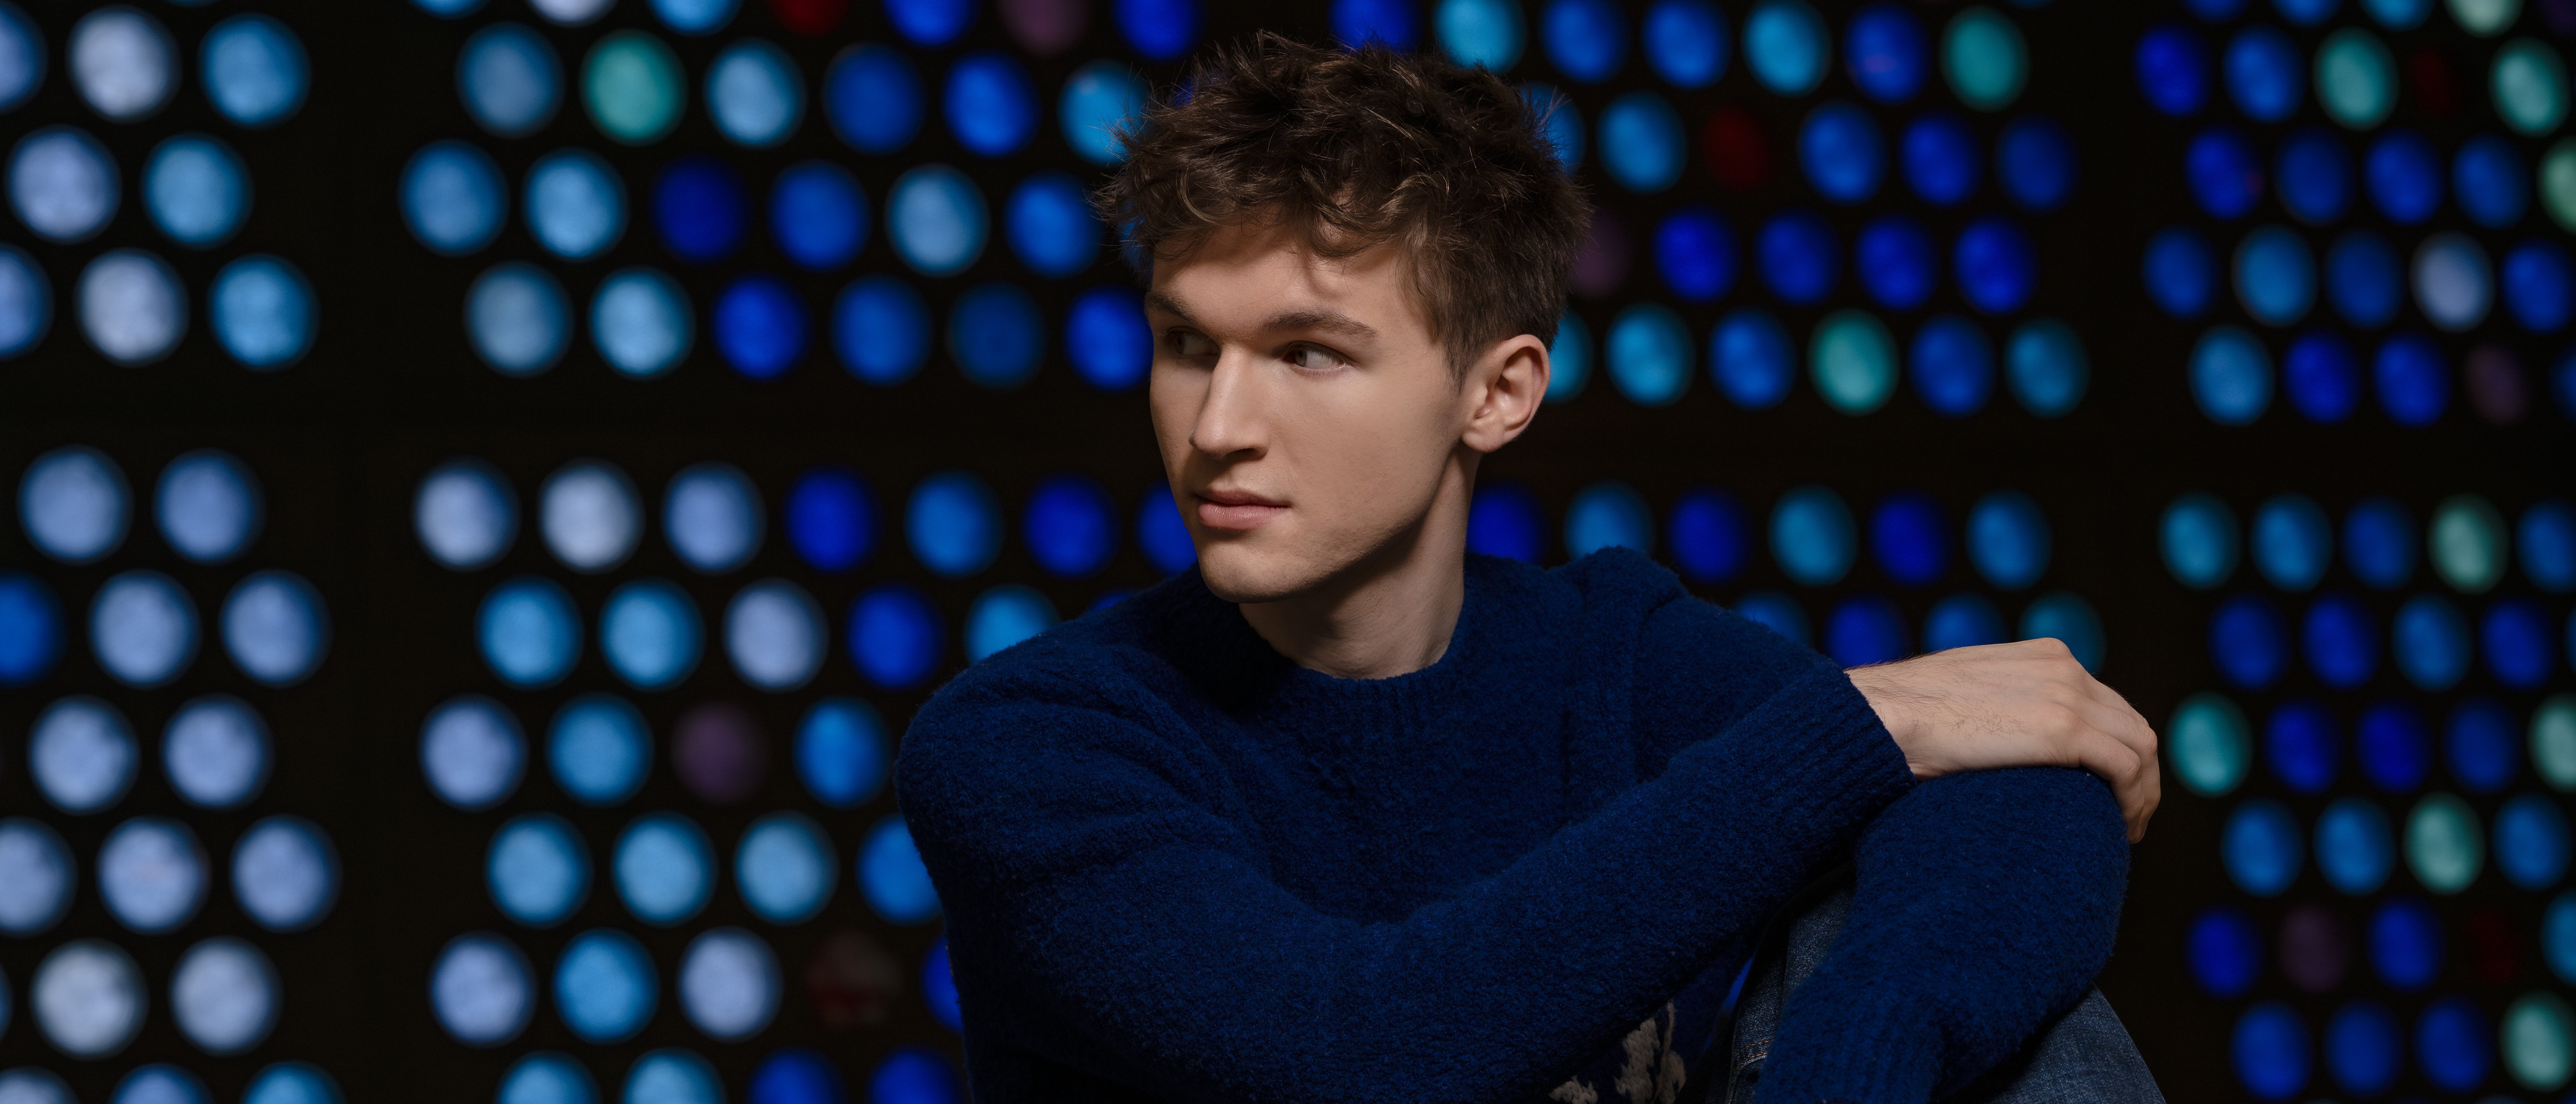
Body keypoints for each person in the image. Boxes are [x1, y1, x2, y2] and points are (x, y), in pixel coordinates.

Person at [895, 34, 2164, 1104]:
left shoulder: (1611, 652)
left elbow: (2026, 795)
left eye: (1306, 354)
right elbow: (1352, 1055)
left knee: (2001, 993)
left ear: (1495, 394)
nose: (1216, 423)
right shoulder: (1027, 743)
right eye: (1185, 344)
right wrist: (1863, 722)